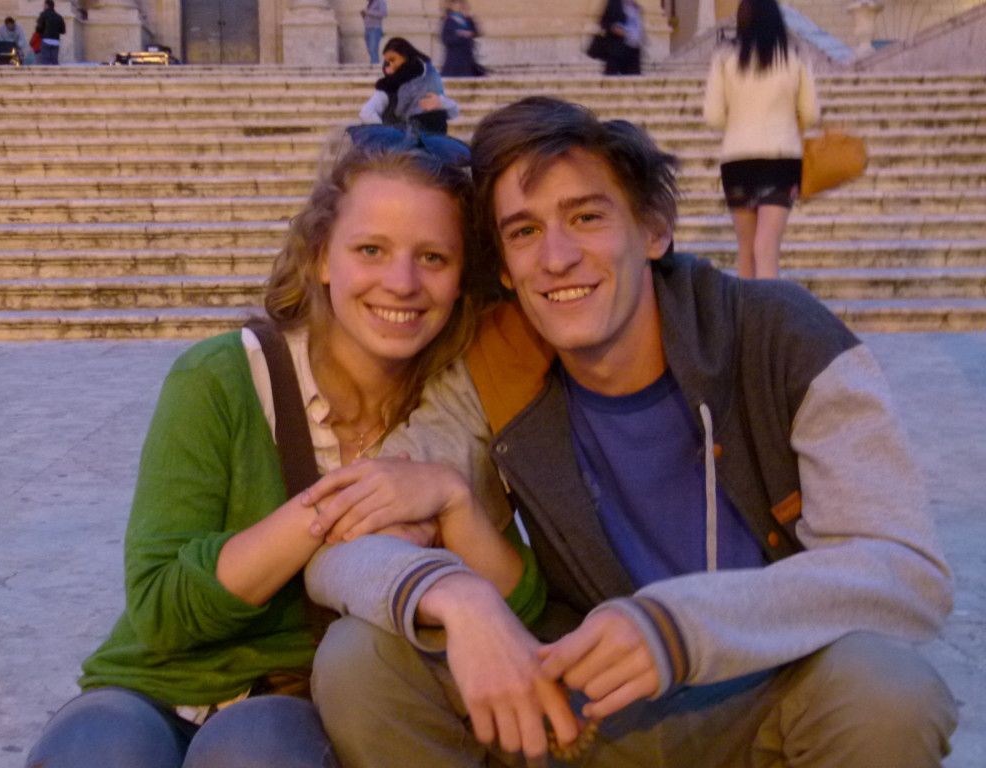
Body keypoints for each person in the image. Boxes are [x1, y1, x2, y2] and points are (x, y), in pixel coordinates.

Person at [302, 96, 957, 767]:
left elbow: (906, 575)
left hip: (772, 696)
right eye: (524, 232)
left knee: (887, 689)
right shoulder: (498, 364)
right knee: (363, 657)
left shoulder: (776, 334)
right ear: (502, 265)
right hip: (585, 707)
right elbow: (336, 546)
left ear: (653, 230)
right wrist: (460, 599)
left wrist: (680, 626)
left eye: (586, 217)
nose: (556, 257)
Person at [23, 129, 514, 768]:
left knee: (257, 752)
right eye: (371, 249)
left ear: (460, 279)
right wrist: (326, 510)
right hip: (152, 687)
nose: (401, 282)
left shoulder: (453, 410)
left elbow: (518, 601)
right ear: (322, 258)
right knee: (96, 752)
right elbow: (160, 609)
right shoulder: (219, 378)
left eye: (433, 258)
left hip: (292, 705)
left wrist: (451, 500)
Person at [703, 0, 820, 279]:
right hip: (781, 158)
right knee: (766, 249)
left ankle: (745, 320)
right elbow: (811, 113)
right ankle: (769, 320)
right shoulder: (794, 55)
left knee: (746, 249)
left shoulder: (725, 58)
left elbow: (714, 116)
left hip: (738, 159)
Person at [359, 37, 460, 135]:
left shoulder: (424, 79)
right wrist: (388, 134)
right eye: (387, 62)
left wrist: (440, 103)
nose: (390, 66)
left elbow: (453, 111)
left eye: (393, 60)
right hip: (402, 141)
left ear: (405, 57)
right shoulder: (387, 88)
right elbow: (366, 113)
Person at [598, 0, 643, 76]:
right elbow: (604, 22)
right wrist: (614, 29)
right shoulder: (614, 3)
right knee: (610, 80)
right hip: (617, 49)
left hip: (633, 49)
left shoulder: (635, 6)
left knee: (634, 81)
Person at [440, 0, 483, 77]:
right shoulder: (448, 20)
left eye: (460, 3)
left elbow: (477, 32)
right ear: (450, 6)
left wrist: (471, 23)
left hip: (467, 57)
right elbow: (445, 38)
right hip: (454, 58)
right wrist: (460, 35)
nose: (459, 5)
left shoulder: (466, 19)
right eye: (456, 3)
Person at [35, 0, 65, 65]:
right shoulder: (59, 16)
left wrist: (40, 33)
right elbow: (63, 31)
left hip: (45, 39)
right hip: (56, 41)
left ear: (46, 5)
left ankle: (46, 74)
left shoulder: (43, 14)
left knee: (46, 61)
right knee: (55, 61)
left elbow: (38, 28)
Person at [361, 0, 387, 66]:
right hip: (367, 29)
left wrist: (368, 12)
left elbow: (383, 13)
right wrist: (364, 16)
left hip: (375, 29)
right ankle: (373, 64)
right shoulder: (370, 3)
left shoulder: (380, 1)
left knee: (373, 49)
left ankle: (375, 66)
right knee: (370, 50)